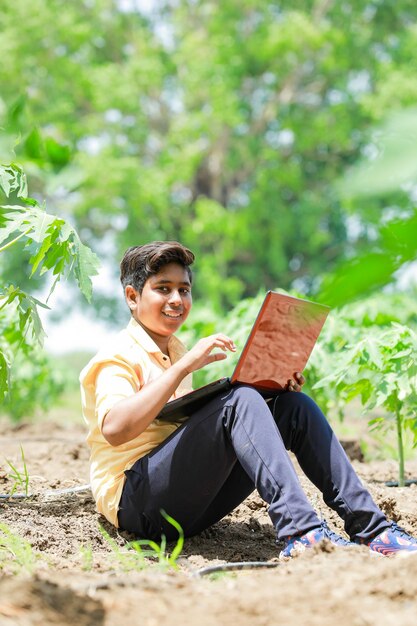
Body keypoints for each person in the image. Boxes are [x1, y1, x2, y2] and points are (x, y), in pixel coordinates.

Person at [80, 241, 417, 558]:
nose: (177, 299)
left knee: (290, 407)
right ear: (132, 296)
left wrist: (270, 388)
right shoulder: (118, 356)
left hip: (183, 507)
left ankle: (372, 529)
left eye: (184, 290)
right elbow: (115, 428)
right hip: (138, 505)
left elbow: (176, 425)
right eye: (163, 289)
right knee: (238, 400)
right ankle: (302, 533)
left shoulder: (173, 349)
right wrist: (185, 369)